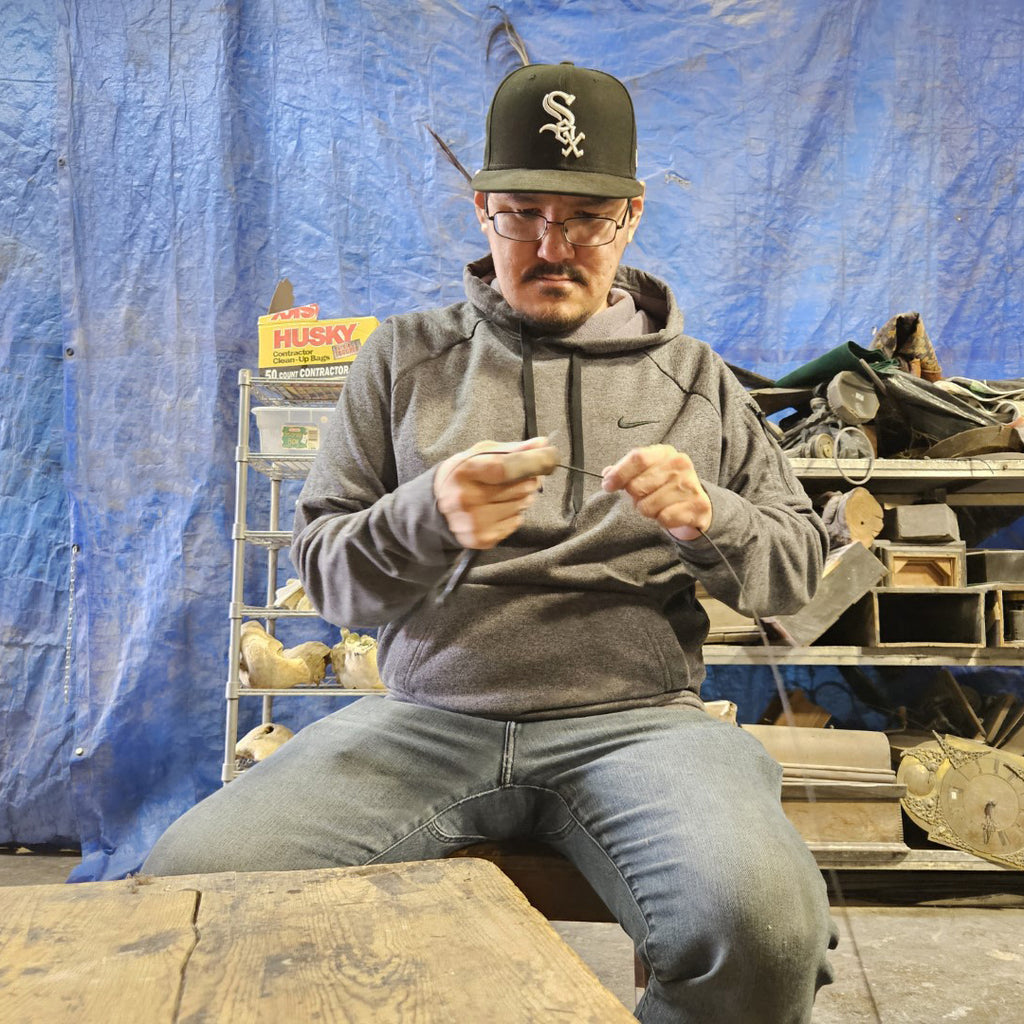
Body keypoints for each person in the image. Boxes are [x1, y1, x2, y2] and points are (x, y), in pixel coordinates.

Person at [145, 62, 837, 1022]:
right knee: (188, 882)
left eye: (585, 220)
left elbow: (796, 575)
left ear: (631, 218)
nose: (553, 247)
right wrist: (424, 517)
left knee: (765, 932)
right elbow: (327, 577)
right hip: (429, 721)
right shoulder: (403, 358)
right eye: (523, 216)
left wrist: (709, 516)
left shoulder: (697, 379)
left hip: (639, 725)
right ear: (482, 212)